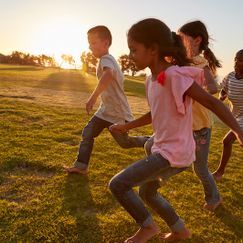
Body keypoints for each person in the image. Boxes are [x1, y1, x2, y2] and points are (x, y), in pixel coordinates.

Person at [108, 18, 243, 242]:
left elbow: (213, 102)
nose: (130, 54)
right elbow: (156, 113)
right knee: (147, 192)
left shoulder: (175, 75)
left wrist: (238, 130)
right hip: (163, 148)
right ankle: (180, 231)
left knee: (118, 184)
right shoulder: (151, 80)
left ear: (153, 49)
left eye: (134, 49)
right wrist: (126, 126)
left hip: (174, 153)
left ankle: (148, 227)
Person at [64, 25, 148, 175]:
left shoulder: (106, 59)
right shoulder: (108, 60)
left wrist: (93, 97)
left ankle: (153, 141)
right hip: (105, 111)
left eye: (94, 43)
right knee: (88, 133)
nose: (90, 46)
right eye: (89, 43)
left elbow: (108, 75)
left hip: (117, 114)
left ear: (106, 43)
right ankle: (81, 166)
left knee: (125, 143)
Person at [212, 49, 243, 181]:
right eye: (236, 58)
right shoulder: (230, 76)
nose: (237, 62)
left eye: (241, 60)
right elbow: (223, 90)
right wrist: (222, 96)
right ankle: (220, 172)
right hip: (235, 116)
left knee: (227, 140)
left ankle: (219, 173)